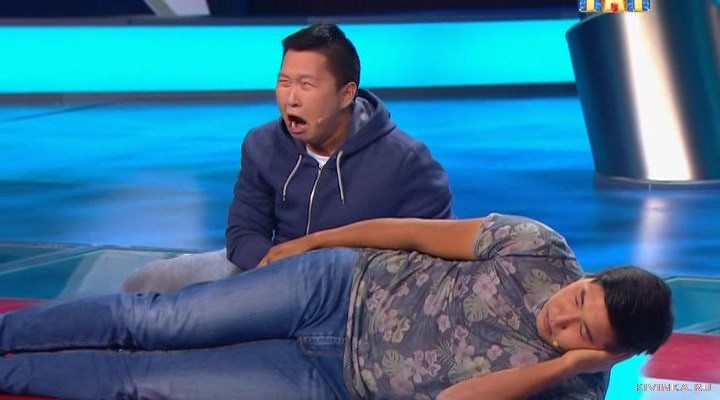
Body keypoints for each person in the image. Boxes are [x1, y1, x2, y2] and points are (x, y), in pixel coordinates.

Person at [0, 213, 673, 399]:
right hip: (336, 287)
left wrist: (565, 366)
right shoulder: (537, 247)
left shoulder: (571, 390)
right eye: (578, 298)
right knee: (156, 320)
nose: (562, 316)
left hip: (330, 381)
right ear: (588, 276)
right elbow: (411, 234)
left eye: (582, 331)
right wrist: (314, 242)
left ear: (610, 352)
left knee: (145, 382)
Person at [121, 23, 454, 293]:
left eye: (306, 85)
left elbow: (435, 260)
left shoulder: (408, 161)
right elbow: (243, 234)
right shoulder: (261, 145)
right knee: (147, 281)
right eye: (284, 83)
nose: (291, 99)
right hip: (269, 275)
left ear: (346, 94)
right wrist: (279, 273)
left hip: (355, 295)